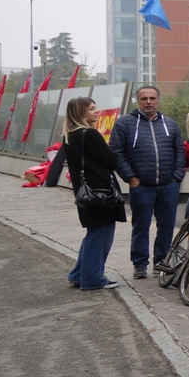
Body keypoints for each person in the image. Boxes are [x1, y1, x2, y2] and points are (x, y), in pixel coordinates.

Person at [46, 96, 127, 290]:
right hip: (101, 192)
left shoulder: (70, 135)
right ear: (81, 113)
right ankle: (92, 279)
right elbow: (111, 161)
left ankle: (78, 275)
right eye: (91, 109)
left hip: (86, 192)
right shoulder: (90, 134)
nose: (96, 111)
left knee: (93, 234)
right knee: (100, 237)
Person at [110, 85, 184, 280]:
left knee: (166, 225)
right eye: (144, 99)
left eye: (152, 98)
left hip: (169, 185)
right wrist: (130, 177)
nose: (149, 102)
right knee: (141, 225)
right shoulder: (125, 124)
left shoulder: (170, 124)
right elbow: (116, 152)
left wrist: (177, 177)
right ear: (138, 101)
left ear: (158, 100)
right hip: (141, 186)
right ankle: (140, 263)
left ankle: (162, 260)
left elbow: (179, 151)